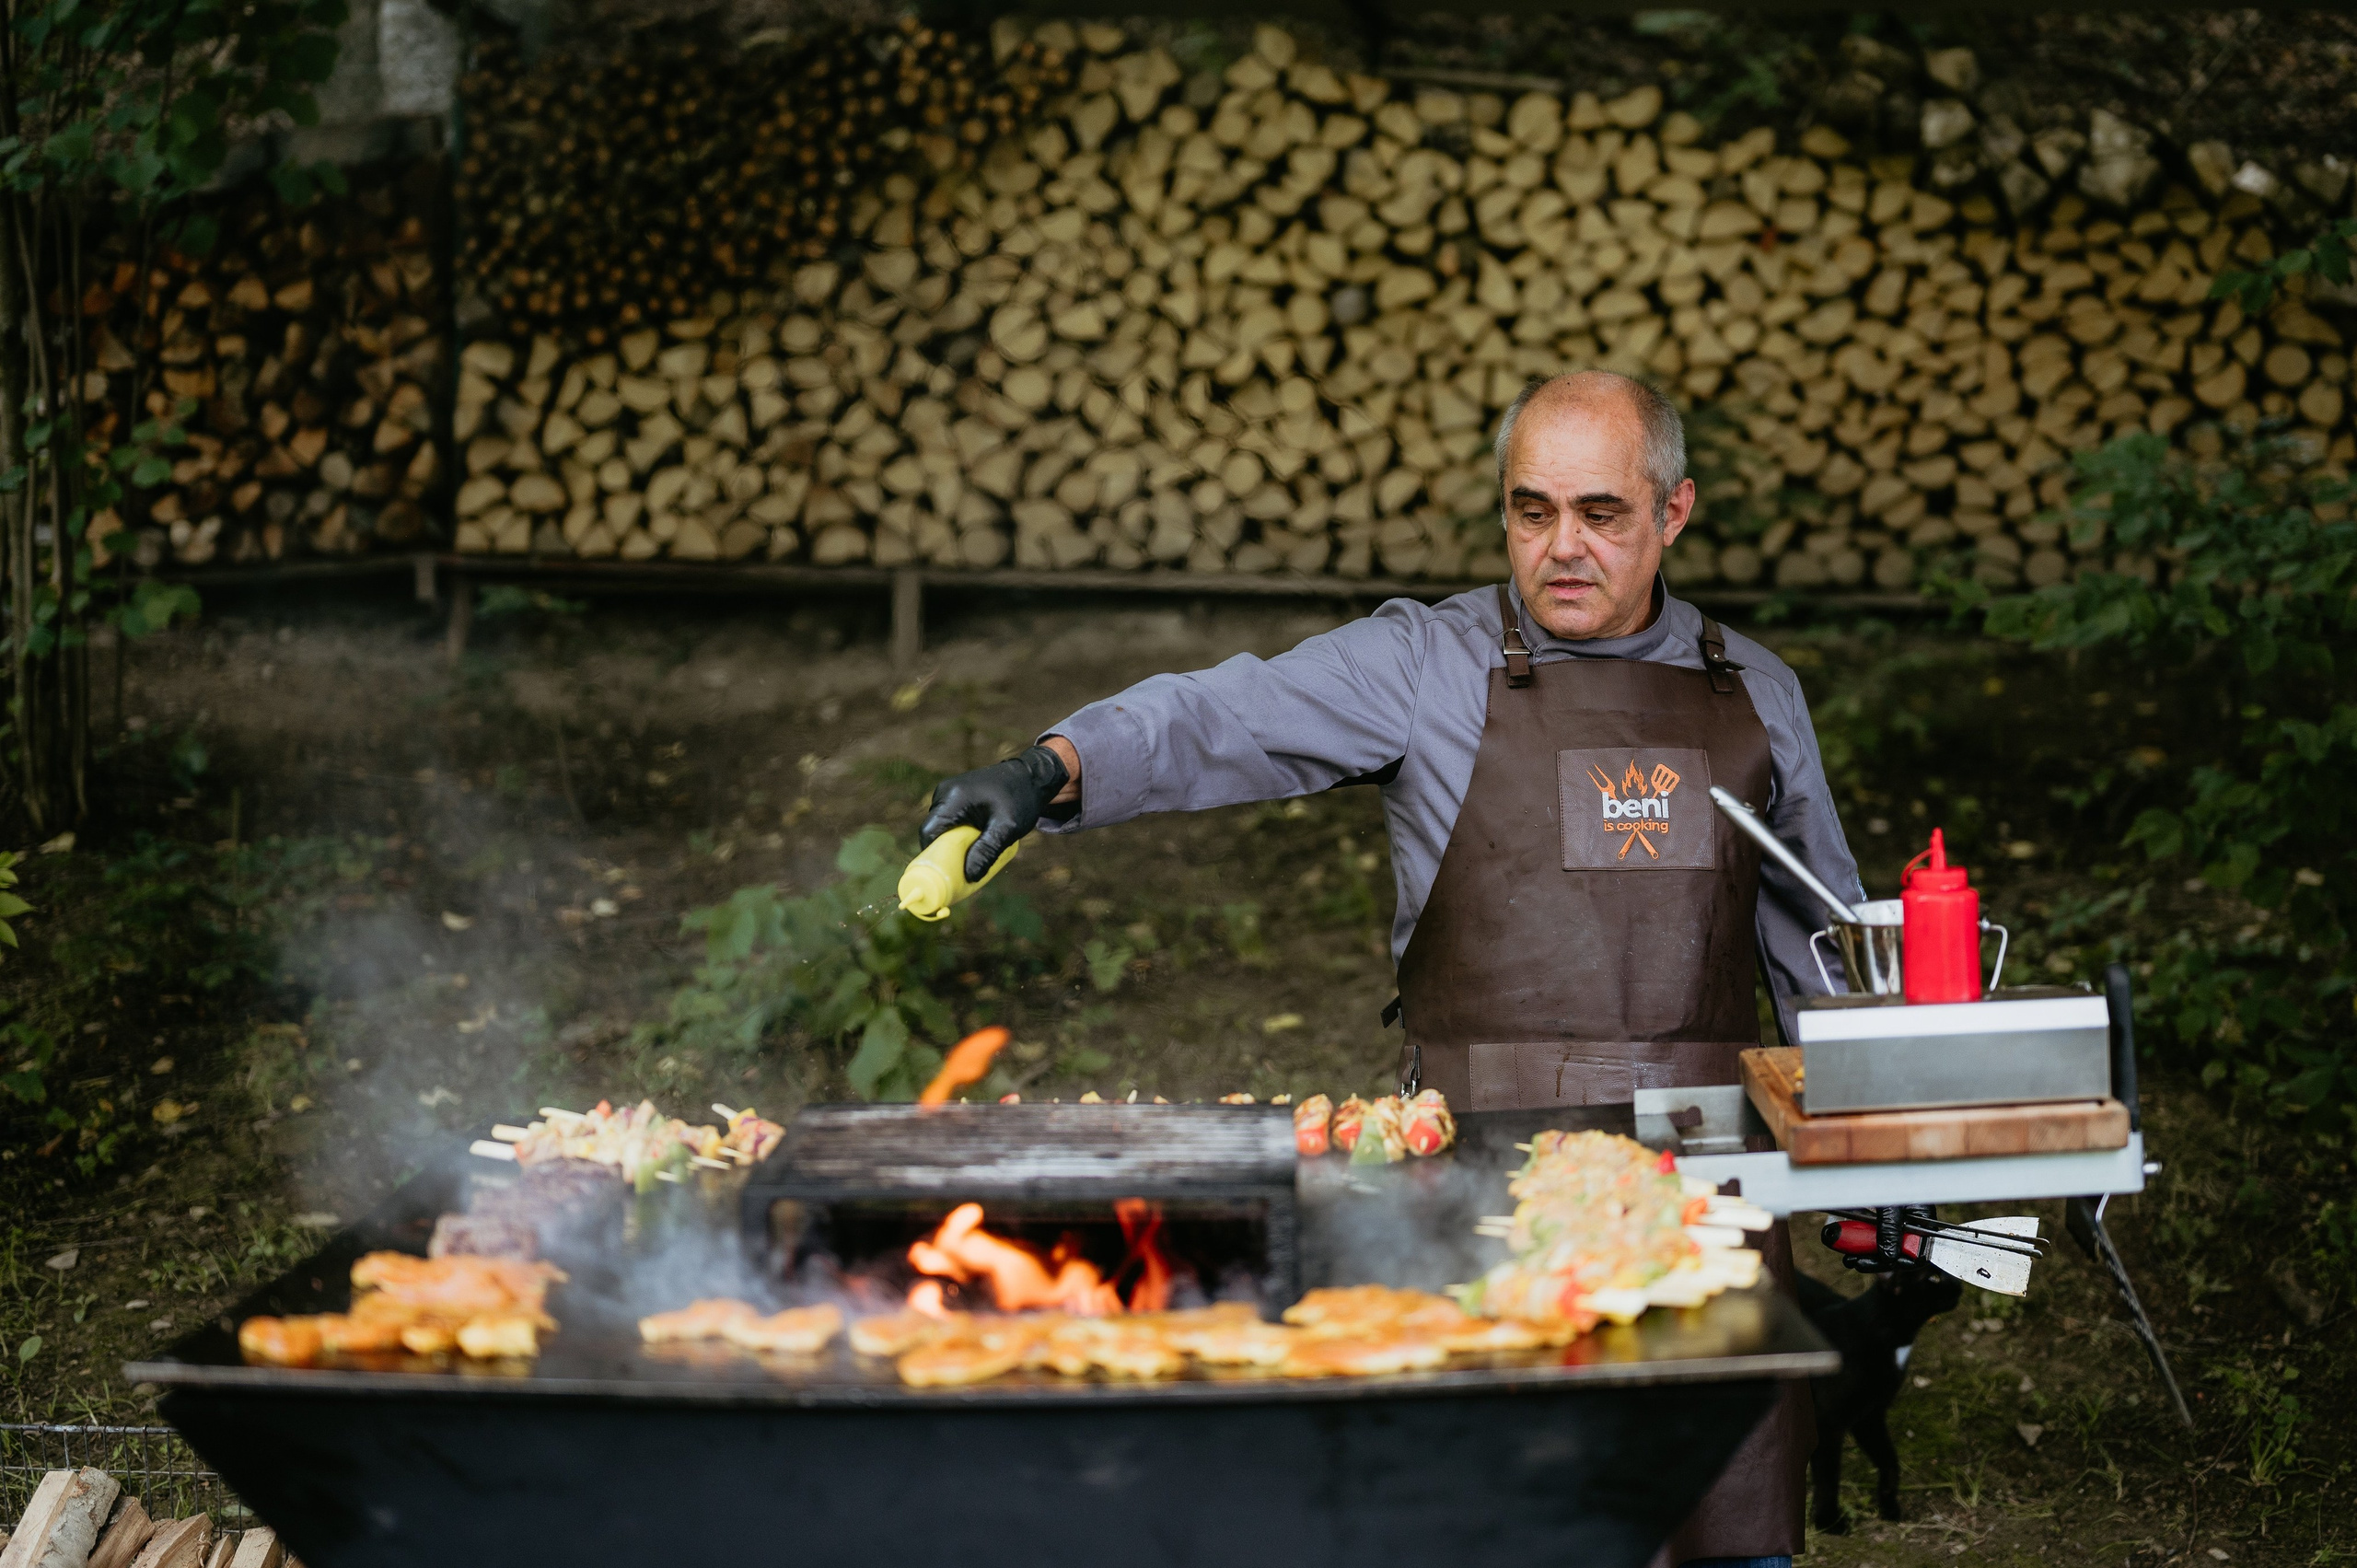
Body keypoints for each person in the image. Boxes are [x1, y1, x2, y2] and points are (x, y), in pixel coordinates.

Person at [920, 369, 1864, 1567]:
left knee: (1724, 1523)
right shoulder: (1426, 663)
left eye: (1601, 514)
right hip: (1478, 1182)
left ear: (1674, 511)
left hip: (1710, 1194)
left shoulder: (1755, 693)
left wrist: (1897, 1175)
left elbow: (1828, 954)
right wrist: (1053, 767)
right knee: (1494, 1519)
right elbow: (1228, 714)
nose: (1561, 547)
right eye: (1531, 513)